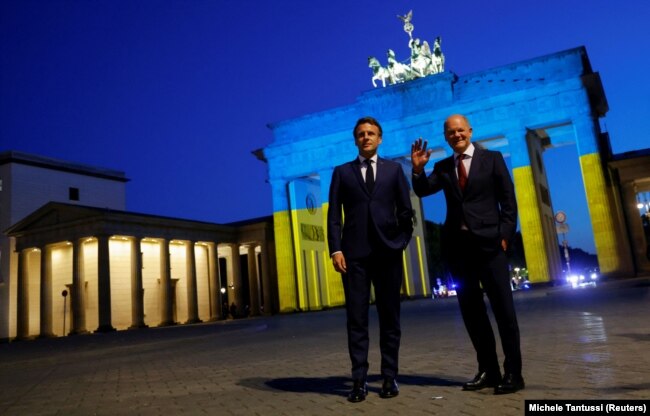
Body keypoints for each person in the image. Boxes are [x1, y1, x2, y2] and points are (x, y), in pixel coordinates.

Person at [410, 114, 524, 395]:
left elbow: (508, 201)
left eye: (460, 130)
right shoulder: (443, 166)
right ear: (446, 137)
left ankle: (513, 373)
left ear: (470, 131)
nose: (457, 135)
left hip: (491, 247)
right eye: (451, 132)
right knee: (473, 314)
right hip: (459, 250)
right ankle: (488, 370)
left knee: (504, 312)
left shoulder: (493, 159)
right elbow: (423, 190)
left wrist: (505, 237)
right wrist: (417, 170)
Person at [328, 116, 414, 402]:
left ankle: (389, 377)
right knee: (357, 319)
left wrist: (400, 242)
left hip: (388, 254)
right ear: (355, 139)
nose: (366, 137)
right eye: (361, 134)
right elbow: (333, 218)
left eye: (371, 133)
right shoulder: (341, 172)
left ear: (380, 138)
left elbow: (405, 211)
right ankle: (359, 381)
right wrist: (336, 249)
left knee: (391, 318)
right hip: (354, 258)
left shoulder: (394, 170)